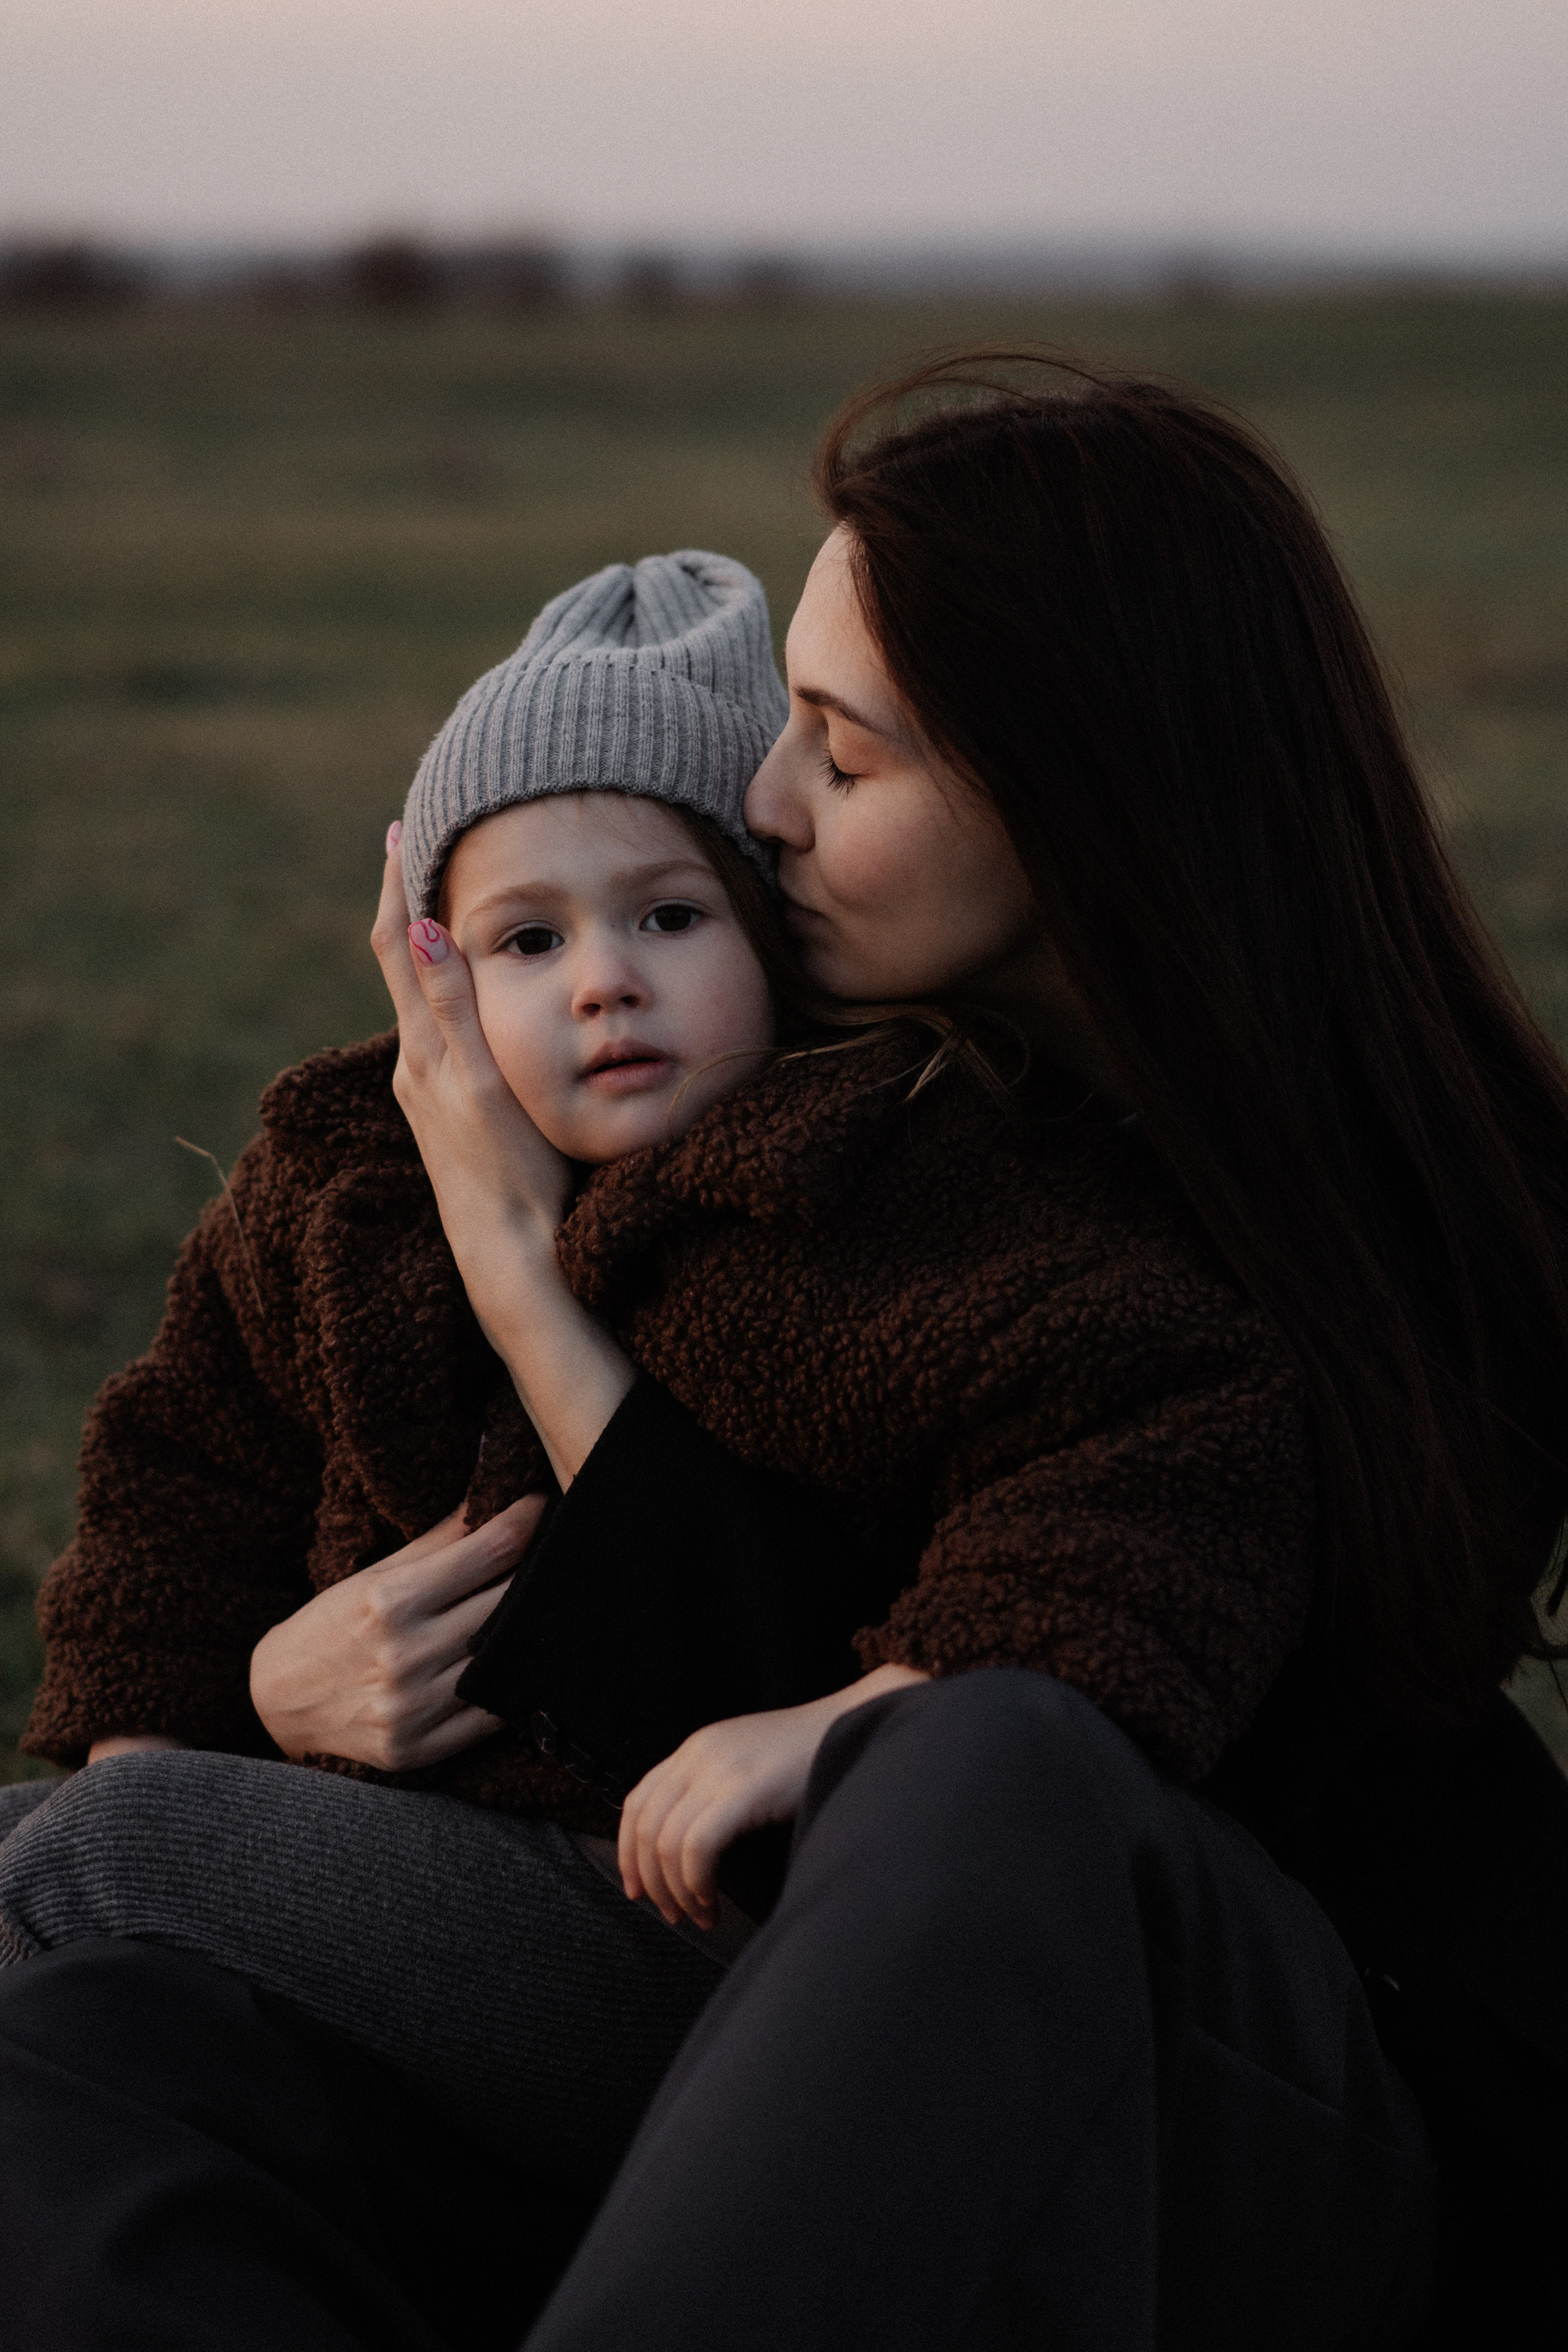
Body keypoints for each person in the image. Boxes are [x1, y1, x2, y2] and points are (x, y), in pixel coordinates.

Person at [3, 347, 1564, 2348]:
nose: (762, 798)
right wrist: (259, 1686)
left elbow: (889, 1776)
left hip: (1235, 2124)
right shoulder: (909, 1113)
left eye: (840, 751)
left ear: (1075, 775)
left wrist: (515, 1273)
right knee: (90, 2034)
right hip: (791, 2066)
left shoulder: (1302, 1224)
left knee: (971, 1744)